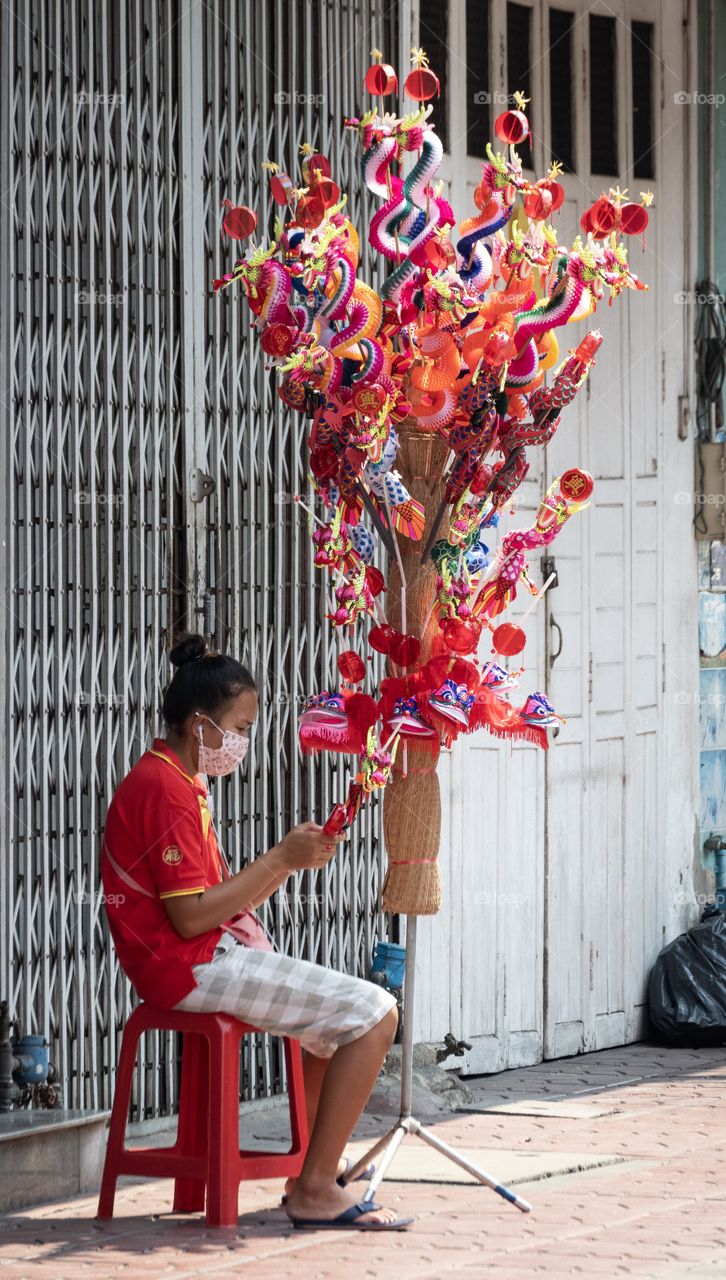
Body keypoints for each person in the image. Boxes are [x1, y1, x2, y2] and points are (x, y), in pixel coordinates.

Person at [101, 633, 412, 1232]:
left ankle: (310, 1173)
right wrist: (279, 860)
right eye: (238, 728)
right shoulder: (164, 788)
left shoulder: (177, 779)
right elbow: (191, 916)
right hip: (188, 965)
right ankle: (317, 1187)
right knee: (376, 1013)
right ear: (201, 725)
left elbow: (212, 904)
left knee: (334, 1029)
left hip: (199, 956)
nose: (242, 742)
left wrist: (289, 861)